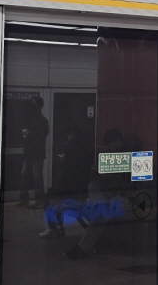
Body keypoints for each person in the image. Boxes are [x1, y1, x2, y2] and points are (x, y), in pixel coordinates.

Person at [64, 128, 134, 259]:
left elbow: (131, 186)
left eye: (111, 144)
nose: (109, 147)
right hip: (107, 196)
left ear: (118, 141)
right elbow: (95, 177)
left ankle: (84, 248)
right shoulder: (108, 156)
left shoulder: (130, 157)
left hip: (124, 198)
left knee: (101, 212)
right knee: (94, 186)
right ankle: (100, 205)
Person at [39, 123, 92, 239]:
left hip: (72, 189)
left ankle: (53, 228)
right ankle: (59, 227)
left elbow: (68, 172)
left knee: (47, 197)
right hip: (83, 190)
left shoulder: (71, 147)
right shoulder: (87, 146)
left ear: (70, 134)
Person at [19, 95, 49, 208]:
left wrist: (29, 134)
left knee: (37, 177)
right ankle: (25, 198)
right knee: (25, 176)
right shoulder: (34, 119)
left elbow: (43, 135)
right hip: (31, 151)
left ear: (39, 106)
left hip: (36, 152)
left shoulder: (42, 120)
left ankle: (39, 200)